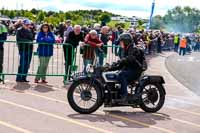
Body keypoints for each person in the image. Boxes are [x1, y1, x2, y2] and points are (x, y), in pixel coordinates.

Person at [107, 33, 147, 102]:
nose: (120, 43)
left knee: (121, 75)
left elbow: (130, 59)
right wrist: (110, 68)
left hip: (135, 71)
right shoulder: (127, 49)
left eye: (121, 41)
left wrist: (121, 61)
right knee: (116, 74)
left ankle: (125, 95)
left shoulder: (132, 49)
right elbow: (122, 64)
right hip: (131, 69)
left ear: (126, 41)